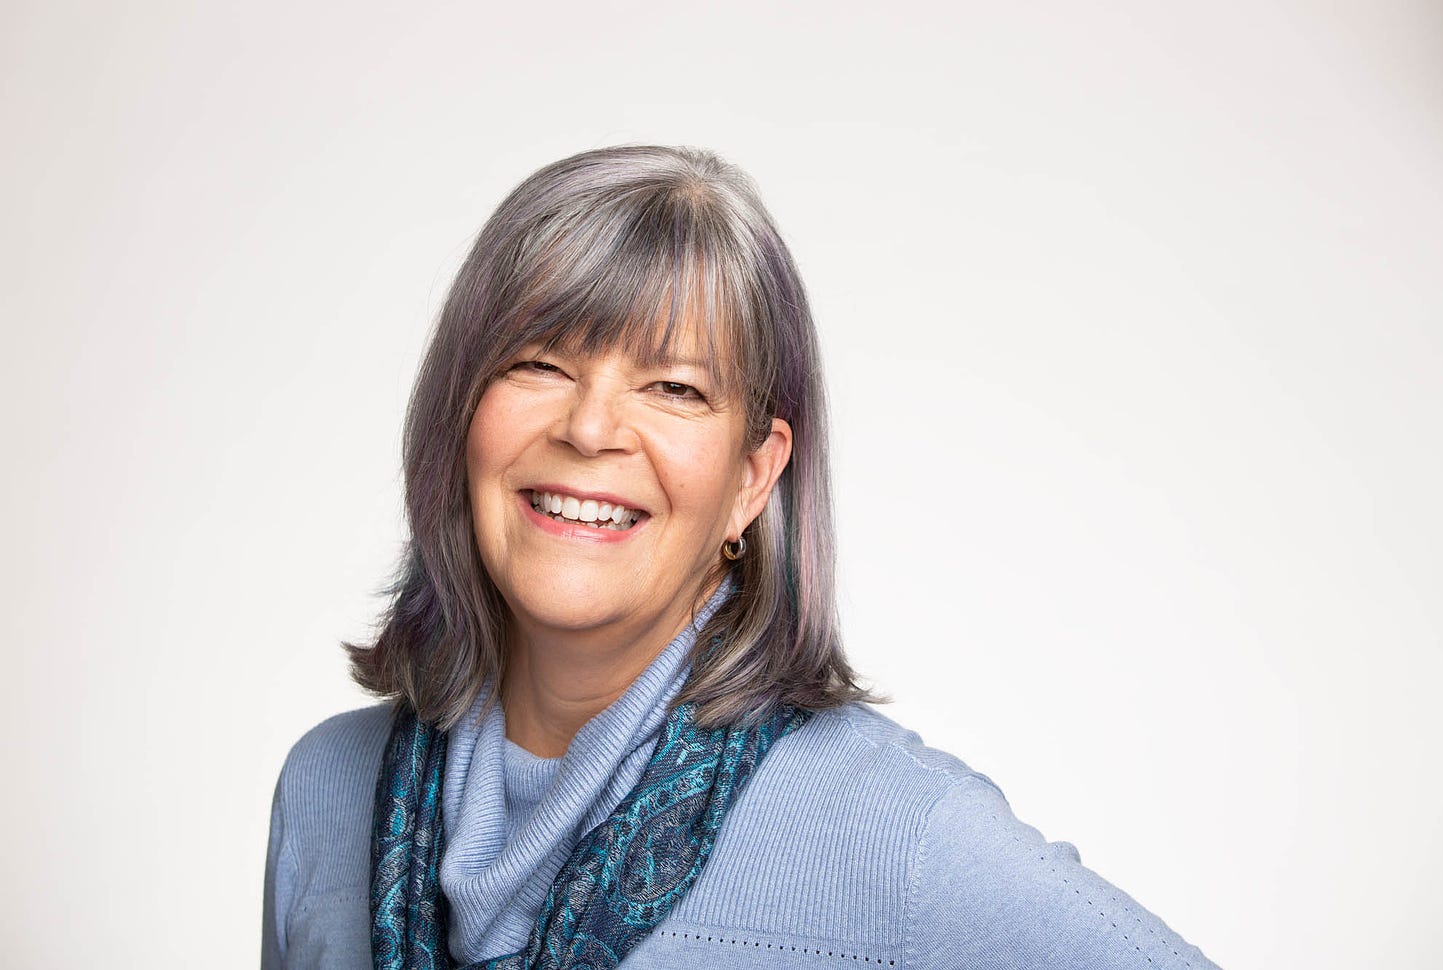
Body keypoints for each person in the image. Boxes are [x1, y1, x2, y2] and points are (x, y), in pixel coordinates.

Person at [262, 145, 1222, 970]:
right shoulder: (328, 792)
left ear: (752, 477)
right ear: (459, 414)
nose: (592, 427)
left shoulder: (894, 835)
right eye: (538, 364)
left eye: (674, 387)